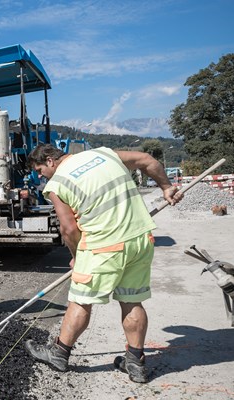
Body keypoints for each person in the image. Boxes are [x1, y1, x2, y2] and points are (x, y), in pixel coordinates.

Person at [23, 144, 184, 383]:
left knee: (81, 300)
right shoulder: (103, 154)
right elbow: (147, 160)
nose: (39, 175)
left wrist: (78, 256)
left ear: (50, 161)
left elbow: (68, 229)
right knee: (132, 300)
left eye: (39, 170)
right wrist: (167, 187)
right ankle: (135, 363)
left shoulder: (57, 184)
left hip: (103, 247)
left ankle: (58, 354)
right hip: (140, 240)